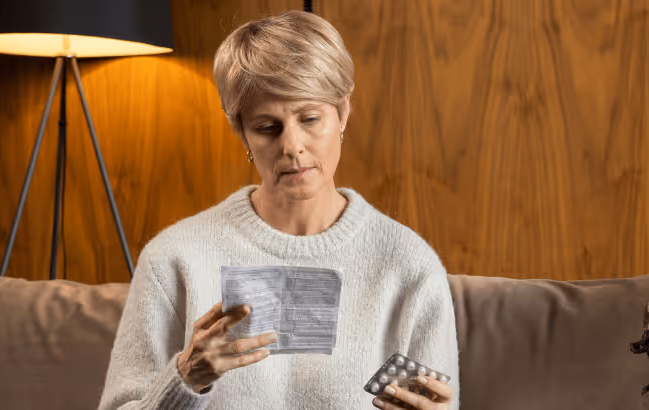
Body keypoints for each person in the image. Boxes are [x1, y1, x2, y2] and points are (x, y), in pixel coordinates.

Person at [98, 10, 460, 410]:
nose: (292, 146)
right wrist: (183, 380)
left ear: (343, 112)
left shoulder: (408, 265)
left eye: (310, 118)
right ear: (241, 131)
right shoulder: (175, 258)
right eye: (267, 127)